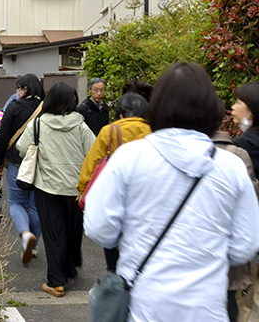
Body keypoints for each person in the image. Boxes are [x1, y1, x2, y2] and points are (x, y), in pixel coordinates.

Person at [84, 63, 259, 321]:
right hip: (207, 307)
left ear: (157, 106)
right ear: (211, 109)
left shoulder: (128, 158)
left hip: (143, 306)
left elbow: (99, 227)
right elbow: (245, 245)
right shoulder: (230, 166)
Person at [16, 82, 95, 298]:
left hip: (47, 187)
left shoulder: (38, 125)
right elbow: (94, 151)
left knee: (53, 234)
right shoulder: (80, 125)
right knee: (71, 231)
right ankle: (69, 269)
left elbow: (22, 148)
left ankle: (56, 282)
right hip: (76, 188)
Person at [77, 92, 152, 272]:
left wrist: (82, 190)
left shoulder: (109, 131)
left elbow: (91, 165)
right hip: (146, 198)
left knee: (113, 246)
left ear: (120, 114)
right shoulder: (153, 131)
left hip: (115, 198)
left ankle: (115, 280)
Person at [0, 74, 44, 266]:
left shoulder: (14, 107)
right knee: (34, 205)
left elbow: (4, 136)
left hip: (17, 161)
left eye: (18, 88)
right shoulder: (46, 108)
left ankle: (25, 234)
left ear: (24, 89)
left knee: (15, 202)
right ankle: (35, 245)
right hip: (40, 163)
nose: (17, 91)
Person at [230, 82, 259, 322]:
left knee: (248, 303)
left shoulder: (242, 147)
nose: (233, 107)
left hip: (253, 233)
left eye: (238, 102)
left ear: (251, 110)